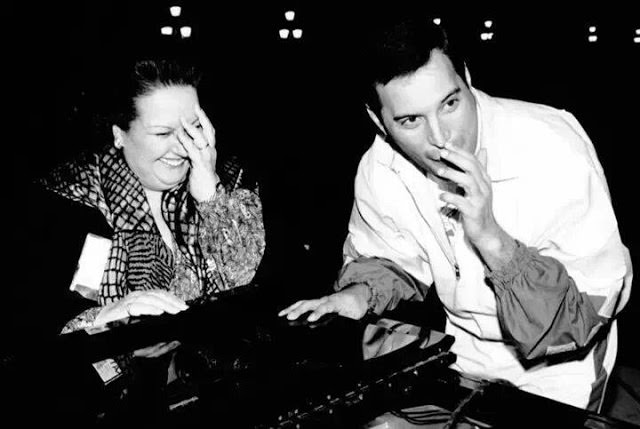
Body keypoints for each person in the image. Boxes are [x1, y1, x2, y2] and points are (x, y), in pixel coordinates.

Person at [279, 16, 632, 411]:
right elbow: (389, 257)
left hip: (561, 367)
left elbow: (581, 318)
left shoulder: (553, 147)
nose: (441, 138)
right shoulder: (380, 168)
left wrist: (491, 239)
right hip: (465, 351)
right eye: (410, 120)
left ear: (467, 77)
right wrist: (357, 295)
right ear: (379, 122)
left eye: (450, 104)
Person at [29, 58, 265, 335]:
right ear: (120, 135)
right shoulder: (70, 203)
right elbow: (37, 328)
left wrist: (211, 197)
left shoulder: (231, 187)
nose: (183, 147)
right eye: (163, 132)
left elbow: (254, 293)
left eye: (194, 128)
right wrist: (105, 319)